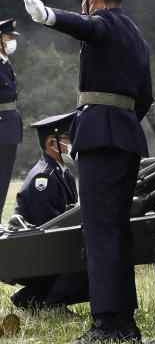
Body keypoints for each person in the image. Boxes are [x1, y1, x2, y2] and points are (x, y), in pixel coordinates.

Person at [23, 0, 152, 343]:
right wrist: (122, 124)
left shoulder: (104, 24)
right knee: (116, 231)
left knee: (100, 233)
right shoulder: (136, 36)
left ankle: (109, 325)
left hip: (101, 139)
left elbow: (85, 28)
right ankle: (123, 322)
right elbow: (144, 98)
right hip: (126, 137)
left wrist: (49, 15)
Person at [9, 112, 90, 311]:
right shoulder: (43, 178)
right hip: (36, 255)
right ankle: (55, 304)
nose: (74, 143)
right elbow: (51, 225)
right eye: (68, 138)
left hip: (46, 250)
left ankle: (30, 297)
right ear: (53, 144)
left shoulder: (64, 174)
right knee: (87, 253)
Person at [0, 18, 22, 222]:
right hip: (1, 128)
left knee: (4, 178)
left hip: (8, 128)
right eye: (8, 37)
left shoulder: (5, 62)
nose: (12, 41)